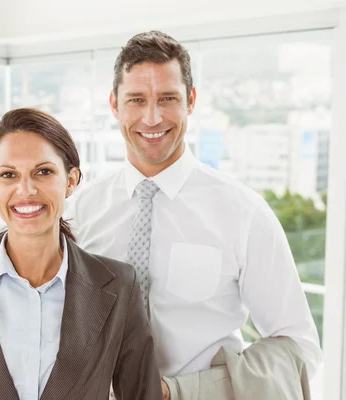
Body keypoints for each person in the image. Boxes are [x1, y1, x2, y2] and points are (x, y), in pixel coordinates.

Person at [65, 31, 322, 398]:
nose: (151, 118)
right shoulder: (79, 211)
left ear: (191, 101)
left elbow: (299, 349)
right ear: (114, 105)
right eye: (136, 100)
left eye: (167, 98)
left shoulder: (242, 212)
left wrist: (182, 392)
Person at [0, 108, 163, 400]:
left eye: (43, 172)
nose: (26, 189)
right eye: (9, 175)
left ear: (71, 180)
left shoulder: (119, 286)